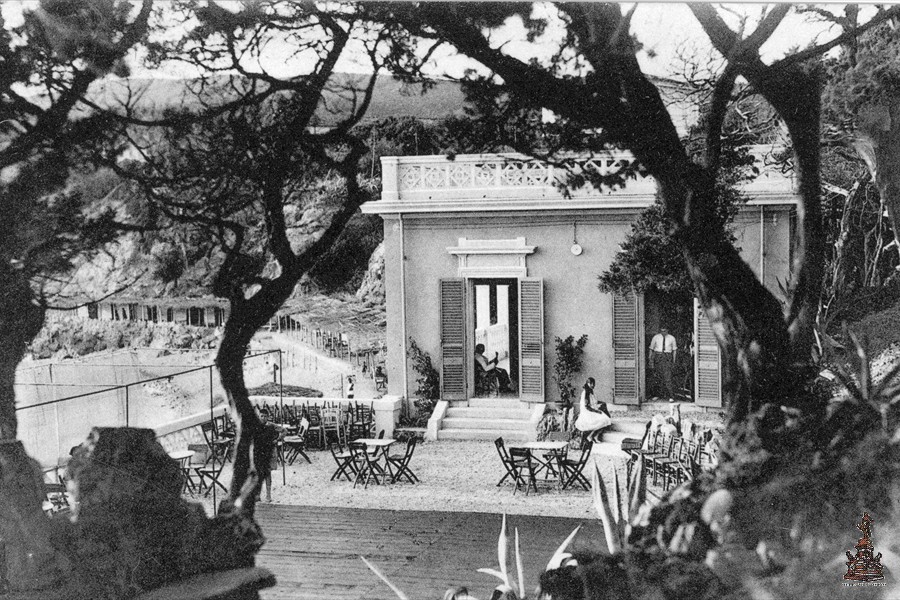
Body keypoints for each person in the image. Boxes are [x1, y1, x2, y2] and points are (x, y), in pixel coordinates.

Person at [574, 377, 612, 443]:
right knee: (604, 420)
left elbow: (594, 401)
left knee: (606, 418)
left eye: (593, 383)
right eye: (591, 383)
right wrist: (597, 411)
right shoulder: (586, 392)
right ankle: (591, 436)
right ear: (588, 383)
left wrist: (600, 405)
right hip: (587, 412)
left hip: (591, 410)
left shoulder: (590, 391)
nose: (593, 385)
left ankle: (595, 436)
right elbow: (587, 406)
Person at [649, 326, 678, 402]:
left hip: (667, 357)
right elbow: (651, 349)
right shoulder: (656, 337)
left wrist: (673, 361)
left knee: (667, 377)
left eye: (664, 331)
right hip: (658, 356)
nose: (663, 333)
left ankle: (671, 396)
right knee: (657, 376)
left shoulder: (672, 338)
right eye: (661, 331)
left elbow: (674, 351)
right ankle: (657, 395)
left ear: (667, 330)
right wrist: (650, 360)